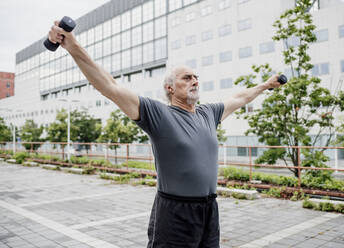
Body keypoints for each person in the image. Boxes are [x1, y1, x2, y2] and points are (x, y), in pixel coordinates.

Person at [48, 21, 282, 248]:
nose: (195, 81)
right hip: (175, 213)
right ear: (170, 88)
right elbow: (110, 86)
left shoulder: (209, 113)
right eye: (187, 78)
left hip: (209, 210)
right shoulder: (158, 114)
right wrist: (73, 46)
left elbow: (239, 98)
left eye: (196, 77)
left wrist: (265, 85)